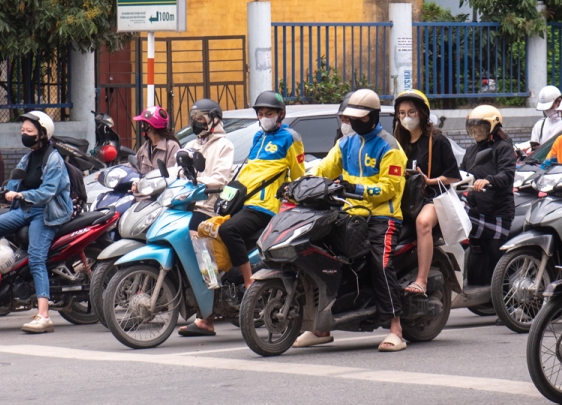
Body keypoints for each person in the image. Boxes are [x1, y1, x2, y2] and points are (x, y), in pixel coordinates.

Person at [179, 91, 305, 337]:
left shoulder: (290, 137)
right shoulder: (258, 136)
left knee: (228, 230)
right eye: (260, 113)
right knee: (208, 232)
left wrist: (291, 196)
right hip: (241, 201)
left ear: (281, 114)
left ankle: (248, 283)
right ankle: (210, 311)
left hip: (265, 205)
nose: (264, 117)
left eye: (269, 113)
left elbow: (297, 173)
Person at [300, 89, 409, 352]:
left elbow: (390, 188)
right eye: (350, 118)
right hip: (347, 213)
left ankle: (396, 329)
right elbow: (324, 170)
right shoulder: (345, 144)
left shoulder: (390, 147)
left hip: (383, 216)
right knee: (324, 258)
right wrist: (299, 183)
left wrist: (355, 188)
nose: (352, 123)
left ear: (372, 118)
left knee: (380, 262)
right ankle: (321, 327)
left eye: (358, 118)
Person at [0, 111, 74, 334]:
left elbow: (47, 192)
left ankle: (44, 315)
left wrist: (22, 196)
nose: (24, 134)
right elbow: (13, 184)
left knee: (36, 258)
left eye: (29, 131)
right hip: (25, 210)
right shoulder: (28, 157)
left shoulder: (53, 159)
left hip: (46, 213)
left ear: (43, 134)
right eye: (22, 131)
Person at [392, 88, 460, 296]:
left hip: (432, 198)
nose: (406, 117)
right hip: (405, 198)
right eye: (402, 113)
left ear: (422, 113)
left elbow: (453, 176)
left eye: (411, 112)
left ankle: (421, 280)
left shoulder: (437, 140)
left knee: (422, 223)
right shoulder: (397, 141)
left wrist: (429, 180)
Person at [461, 105, 516, 287]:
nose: (476, 132)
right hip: (476, 208)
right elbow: (462, 173)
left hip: (497, 210)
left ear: (493, 126)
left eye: (481, 128)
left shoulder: (503, 147)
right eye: (473, 128)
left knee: (495, 253)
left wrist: (488, 180)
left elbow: (507, 175)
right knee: (475, 251)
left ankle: (507, 296)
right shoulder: (471, 151)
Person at [182, 98, 236, 227]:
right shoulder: (190, 144)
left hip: (207, 208)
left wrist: (194, 183)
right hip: (184, 204)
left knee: (189, 230)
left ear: (214, 120)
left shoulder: (224, 146)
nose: (195, 121)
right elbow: (177, 171)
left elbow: (219, 179)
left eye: (200, 118)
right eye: (193, 118)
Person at [133, 106, 181, 176]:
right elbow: (132, 167)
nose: (142, 127)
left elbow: (172, 175)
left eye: (144, 124)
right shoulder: (145, 147)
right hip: (143, 186)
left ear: (150, 127)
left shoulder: (172, 147)